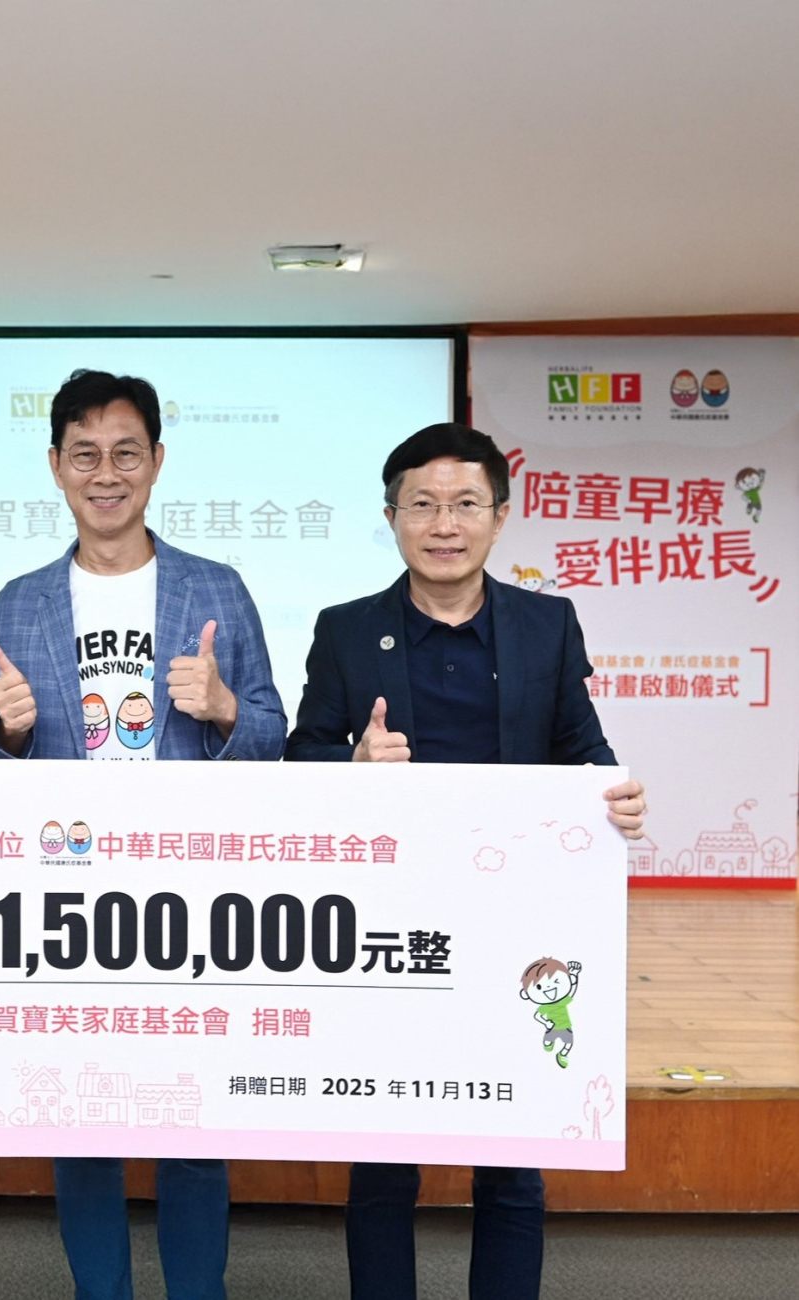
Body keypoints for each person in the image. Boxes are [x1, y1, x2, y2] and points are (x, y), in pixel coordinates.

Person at [283, 422, 646, 1300]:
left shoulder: (547, 624)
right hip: (388, 925)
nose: (444, 525)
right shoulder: (346, 629)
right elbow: (299, 757)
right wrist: (353, 761)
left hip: (514, 919)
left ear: (500, 516)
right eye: (423, 505)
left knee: (512, 1162)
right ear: (392, 517)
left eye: (465, 505)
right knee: (383, 1161)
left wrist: (616, 794)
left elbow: (582, 749)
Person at [0, 369, 286, 1300]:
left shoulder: (215, 586)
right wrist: (9, 733)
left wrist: (225, 708)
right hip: (65, 899)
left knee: (193, 1125)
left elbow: (274, 735)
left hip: (189, 896)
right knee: (83, 1126)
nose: (105, 474)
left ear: (157, 461)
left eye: (125, 454)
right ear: (55, 466)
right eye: (85, 455)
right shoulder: (20, 600)